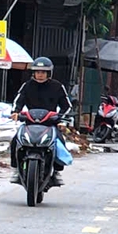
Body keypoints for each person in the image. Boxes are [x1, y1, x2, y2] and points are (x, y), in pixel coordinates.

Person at [10, 57, 74, 185]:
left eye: (43, 72)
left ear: (49, 73)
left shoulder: (57, 86)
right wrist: (15, 112)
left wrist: (61, 119)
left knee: (60, 142)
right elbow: (18, 101)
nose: (40, 74)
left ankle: (56, 172)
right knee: (14, 141)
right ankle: (16, 170)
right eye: (37, 72)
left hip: (50, 123)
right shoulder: (27, 86)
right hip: (30, 122)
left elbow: (67, 106)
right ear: (33, 73)